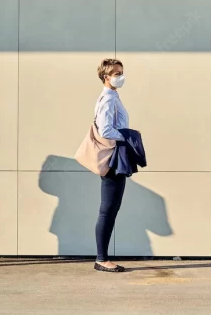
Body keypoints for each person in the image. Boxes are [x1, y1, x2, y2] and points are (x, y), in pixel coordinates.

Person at [93, 58, 129, 273]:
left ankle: (102, 257)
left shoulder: (112, 96)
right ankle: (101, 258)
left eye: (121, 72)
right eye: (116, 73)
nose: (120, 76)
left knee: (111, 208)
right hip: (113, 158)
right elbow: (106, 131)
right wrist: (127, 137)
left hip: (116, 156)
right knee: (108, 209)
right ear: (105, 76)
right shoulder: (108, 99)